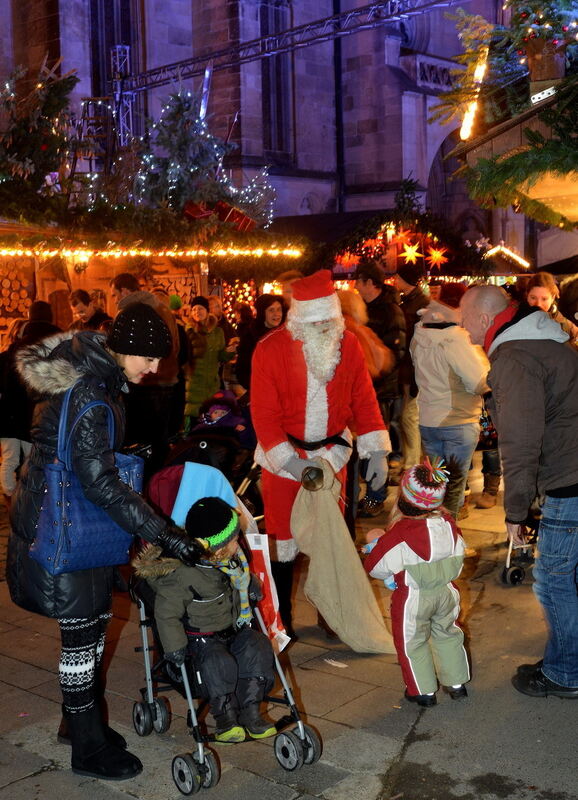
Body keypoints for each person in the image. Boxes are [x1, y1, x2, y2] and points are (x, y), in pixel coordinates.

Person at [7, 303, 201, 780]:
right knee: (82, 638)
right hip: (70, 529)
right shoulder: (92, 393)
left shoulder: (92, 377)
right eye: (149, 358)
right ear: (125, 349)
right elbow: (100, 484)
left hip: (69, 522)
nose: (155, 369)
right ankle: (87, 748)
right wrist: (164, 533)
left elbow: (83, 459)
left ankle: (82, 725)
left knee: (92, 630)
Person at [250, 269, 390, 636]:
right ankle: (281, 620)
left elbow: (364, 399)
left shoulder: (350, 345)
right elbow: (263, 415)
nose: (327, 331)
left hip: (332, 456)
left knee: (333, 541)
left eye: (331, 322)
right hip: (284, 461)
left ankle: (335, 618)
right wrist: (289, 462)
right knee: (282, 544)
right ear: (299, 321)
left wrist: (376, 450)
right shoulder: (269, 349)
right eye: (318, 325)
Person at [460, 284, 578, 699]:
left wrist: (515, 512)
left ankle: (566, 673)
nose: (462, 327)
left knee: (554, 581)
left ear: (482, 317)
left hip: (570, 478)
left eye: (464, 317)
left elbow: (521, 441)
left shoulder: (515, 356)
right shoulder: (540, 342)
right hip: (572, 469)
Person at [133, 496, 276, 742]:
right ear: (216, 547)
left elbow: (239, 581)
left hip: (234, 627)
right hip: (201, 640)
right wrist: (174, 647)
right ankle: (226, 718)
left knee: (258, 646)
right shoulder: (183, 576)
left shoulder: (232, 560)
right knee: (219, 663)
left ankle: (251, 711)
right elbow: (167, 612)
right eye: (232, 539)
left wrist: (250, 584)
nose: (238, 542)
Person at [363, 457, 470, 707]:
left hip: (413, 597)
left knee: (411, 643)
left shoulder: (400, 534)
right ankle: (456, 683)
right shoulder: (450, 526)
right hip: (446, 592)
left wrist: (373, 550)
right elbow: (460, 560)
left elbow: (376, 568)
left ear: (404, 498)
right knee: (448, 634)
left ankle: (422, 691)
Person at [410, 298, 489, 518]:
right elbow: (477, 382)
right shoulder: (456, 339)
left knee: (434, 486)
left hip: (428, 420)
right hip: (458, 421)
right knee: (454, 488)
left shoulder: (418, 337)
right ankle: (449, 539)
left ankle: (433, 534)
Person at [110, 274, 181, 472]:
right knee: (157, 444)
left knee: (141, 447)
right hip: (165, 384)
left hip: (145, 388)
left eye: (115, 295)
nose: (115, 300)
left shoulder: (133, 314)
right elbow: (175, 348)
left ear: (124, 291)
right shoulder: (163, 309)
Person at [354, 259, 406, 513]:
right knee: (365, 446)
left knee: (376, 448)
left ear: (370, 283)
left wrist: (373, 380)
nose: (356, 286)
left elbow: (394, 354)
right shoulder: (365, 308)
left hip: (381, 391)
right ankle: (372, 493)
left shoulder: (389, 311)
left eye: (359, 281)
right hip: (367, 390)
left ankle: (376, 496)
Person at [0, 302, 62, 507]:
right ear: (51, 317)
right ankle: (39, 499)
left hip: (17, 415)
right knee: (40, 460)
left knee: (18, 459)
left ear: (30, 317)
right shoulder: (62, 343)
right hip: (49, 414)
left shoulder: (17, 347)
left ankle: (16, 498)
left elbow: (8, 386)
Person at [393, 263, 430, 472]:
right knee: (407, 416)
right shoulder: (407, 300)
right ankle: (412, 462)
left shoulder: (420, 303)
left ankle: (412, 466)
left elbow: (417, 338)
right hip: (407, 368)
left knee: (410, 416)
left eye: (398, 277)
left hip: (415, 368)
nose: (395, 281)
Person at [184, 296, 235, 430]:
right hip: (194, 385)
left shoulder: (218, 332)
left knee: (211, 423)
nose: (196, 312)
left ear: (207, 311)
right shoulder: (188, 332)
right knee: (194, 423)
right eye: (193, 309)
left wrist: (229, 351)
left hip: (212, 384)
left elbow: (221, 357)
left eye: (200, 308)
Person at [235, 294, 286, 393]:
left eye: (279, 309)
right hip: (262, 393)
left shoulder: (286, 333)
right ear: (262, 312)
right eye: (271, 310)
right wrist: (259, 388)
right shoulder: (250, 336)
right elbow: (242, 371)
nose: (277, 314)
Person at [525, 270, 578, 342]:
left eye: (544, 299)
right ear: (527, 296)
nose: (538, 304)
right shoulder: (515, 322)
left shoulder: (566, 327)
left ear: (552, 298)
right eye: (533, 297)